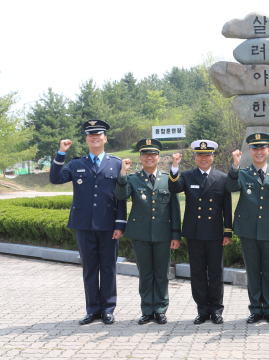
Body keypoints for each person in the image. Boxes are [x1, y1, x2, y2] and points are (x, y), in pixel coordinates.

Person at [49, 119, 127, 325]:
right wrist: (61, 153)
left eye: (99, 134)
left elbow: (121, 196)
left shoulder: (117, 163)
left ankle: (108, 309)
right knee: (89, 268)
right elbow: (55, 179)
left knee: (108, 267)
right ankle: (92, 310)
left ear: (105, 138)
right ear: (86, 139)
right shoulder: (76, 163)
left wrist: (120, 224)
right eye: (91, 134)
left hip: (109, 225)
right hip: (84, 225)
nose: (95, 137)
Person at [115, 138, 181, 325]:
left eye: (153, 154)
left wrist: (176, 234)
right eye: (145, 154)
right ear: (141, 157)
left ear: (159, 157)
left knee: (161, 273)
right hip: (140, 233)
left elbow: (174, 208)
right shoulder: (133, 178)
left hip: (163, 234)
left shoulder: (169, 179)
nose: (149, 157)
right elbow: (120, 195)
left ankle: (160, 309)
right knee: (145, 274)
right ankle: (146, 310)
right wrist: (122, 174)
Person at [225, 133, 269, 324]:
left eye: (262, 148)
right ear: (249, 151)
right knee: (252, 271)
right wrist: (235, 165)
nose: (259, 152)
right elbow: (230, 187)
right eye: (255, 148)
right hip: (248, 231)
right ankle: (255, 309)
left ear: (268, 150)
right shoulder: (243, 173)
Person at [168, 140, 232, 325]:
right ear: (195, 157)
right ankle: (202, 310)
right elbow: (174, 188)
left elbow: (226, 207)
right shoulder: (187, 176)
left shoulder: (222, 177)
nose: (204, 158)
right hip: (194, 232)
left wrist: (227, 231)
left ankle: (217, 310)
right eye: (200, 155)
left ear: (213, 157)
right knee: (197, 272)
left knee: (215, 272)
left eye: (207, 155)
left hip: (214, 233)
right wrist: (174, 166)